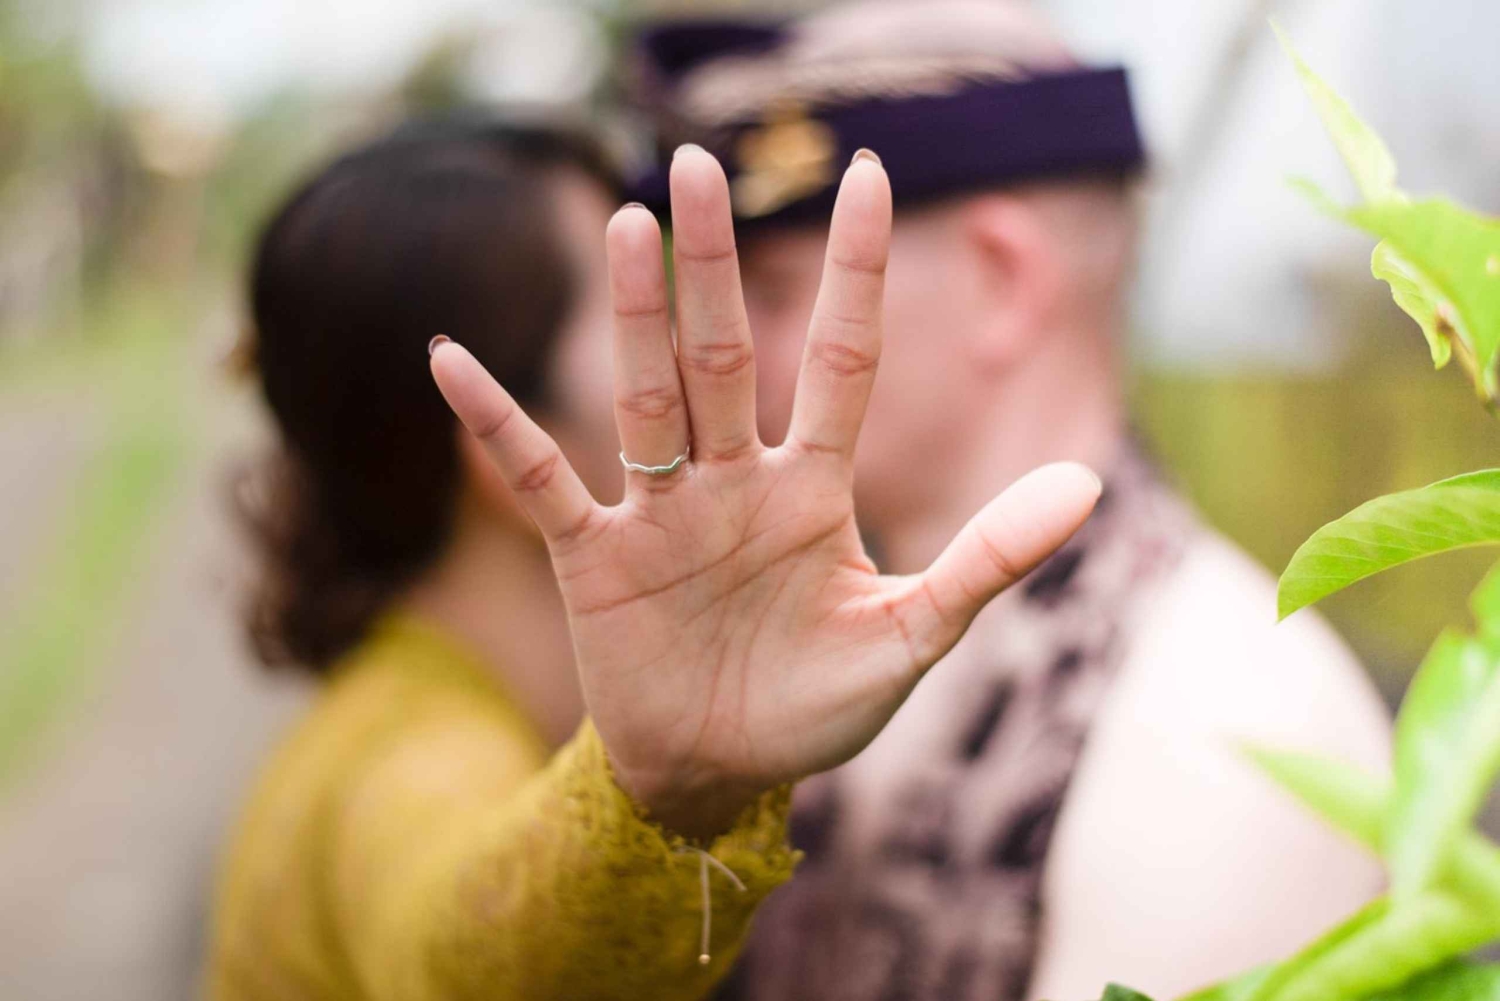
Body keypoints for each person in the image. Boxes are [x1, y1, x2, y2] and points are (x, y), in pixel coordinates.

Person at [210, 116, 1100, 1000]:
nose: (718, 355)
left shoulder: (418, 704)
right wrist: (662, 793)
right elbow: (462, 951)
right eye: (649, 320)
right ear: (512, 451)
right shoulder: (398, 760)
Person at [624, 4, 1394, 1000]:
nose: (716, 355)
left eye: (770, 292)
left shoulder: (1218, 719)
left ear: (1003, 280)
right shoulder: (815, 653)